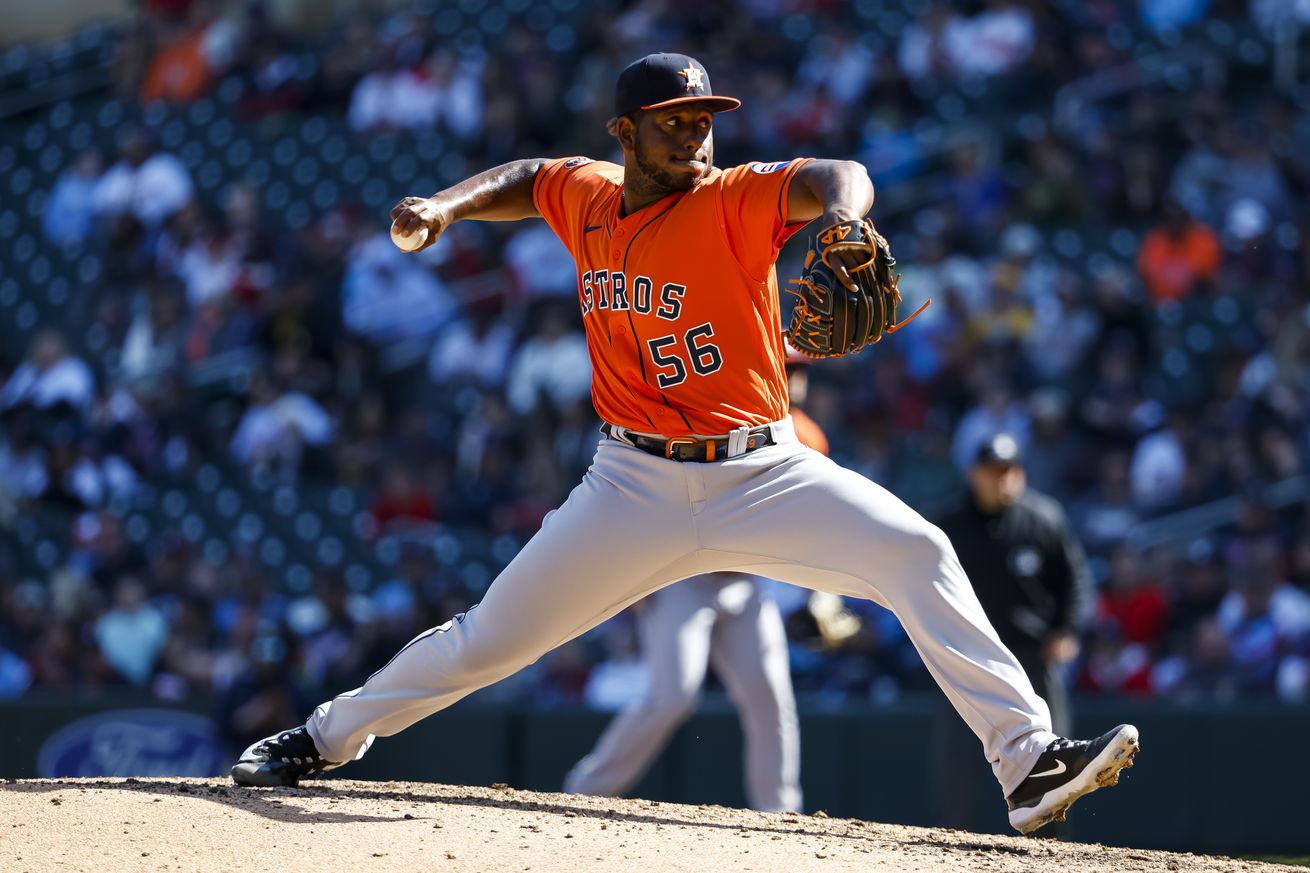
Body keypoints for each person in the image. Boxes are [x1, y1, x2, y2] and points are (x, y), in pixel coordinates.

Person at [231, 52, 1138, 835]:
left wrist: (847, 218)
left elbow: (835, 170)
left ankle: (1027, 763)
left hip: (763, 470)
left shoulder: (734, 200)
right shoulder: (586, 195)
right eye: (674, 122)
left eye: (705, 118)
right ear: (625, 131)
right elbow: (531, 173)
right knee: (486, 641)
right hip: (629, 483)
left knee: (918, 550)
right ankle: (320, 737)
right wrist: (445, 207)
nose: (696, 136)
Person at [563, 358, 822, 814]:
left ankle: (782, 815)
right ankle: (585, 791)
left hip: (745, 583)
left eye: (800, 373)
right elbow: (648, 491)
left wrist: (819, 589)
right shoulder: (720, 414)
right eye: (787, 371)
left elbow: (817, 518)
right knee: (672, 695)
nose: (796, 381)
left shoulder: (807, 435)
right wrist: (636, 572)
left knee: (771, 701)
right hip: (683, 576)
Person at [930, 432, 1094, 831]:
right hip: (970, 657)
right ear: (974, 474)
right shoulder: (949, 524)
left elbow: (1075, 581)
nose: (1002, 479)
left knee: (1053, 760)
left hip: (1033, 656)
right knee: (959, 766)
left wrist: (1066, 630)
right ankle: (954, 848)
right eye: (993, 471)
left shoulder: (1042, 519)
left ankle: (1051, 853)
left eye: (1009, 470)